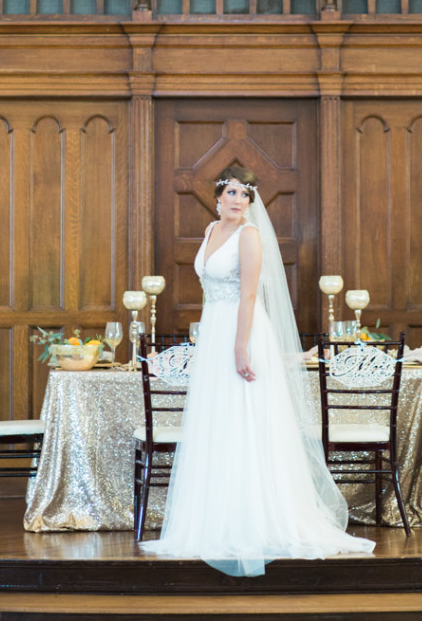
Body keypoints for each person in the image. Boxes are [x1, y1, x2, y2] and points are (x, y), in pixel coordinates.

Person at [140, 166, 375, 575]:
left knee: (248, 419)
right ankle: (216, 519)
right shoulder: (212, 230)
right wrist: (214, 341)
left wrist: (239, 346)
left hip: (241, 330)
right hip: (214, 330)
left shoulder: (250, 236)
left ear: (250, 203)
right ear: (217, 197)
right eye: (230, 192)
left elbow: (249, 295)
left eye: (244, 195)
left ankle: (259, 519)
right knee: (220, 423)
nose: (236, 200)